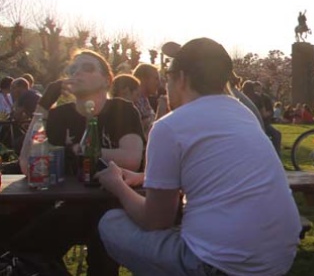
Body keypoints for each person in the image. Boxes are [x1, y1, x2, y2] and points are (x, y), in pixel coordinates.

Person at [97, 37, 301, 276]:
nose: (166, 87)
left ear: (181, 78)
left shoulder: (168, 127)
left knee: (110, 222)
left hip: (219, 266)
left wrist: (118, 186)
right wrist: (146, 176)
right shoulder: (243, 114)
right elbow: (219, 171)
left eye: (167, 78)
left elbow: (155, 220)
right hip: (279, 259)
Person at [14, 50, 145, 275]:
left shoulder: (121, 110)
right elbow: (27, 164)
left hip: (113, 200)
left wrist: (79, 150)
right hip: (70, 203)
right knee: (20, 239)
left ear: (107, 79)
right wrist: (43, 107)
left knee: (100, 239)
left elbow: (132, 159)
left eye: (87, 68)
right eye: (73, 69)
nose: (77, 73)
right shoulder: (59, 116)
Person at [132, 63, 162, 139]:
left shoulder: (144, 100)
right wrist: (161, 108)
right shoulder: (134, 102)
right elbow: (149, 134)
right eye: (156, 79)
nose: (159, 83)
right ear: (144, 79)